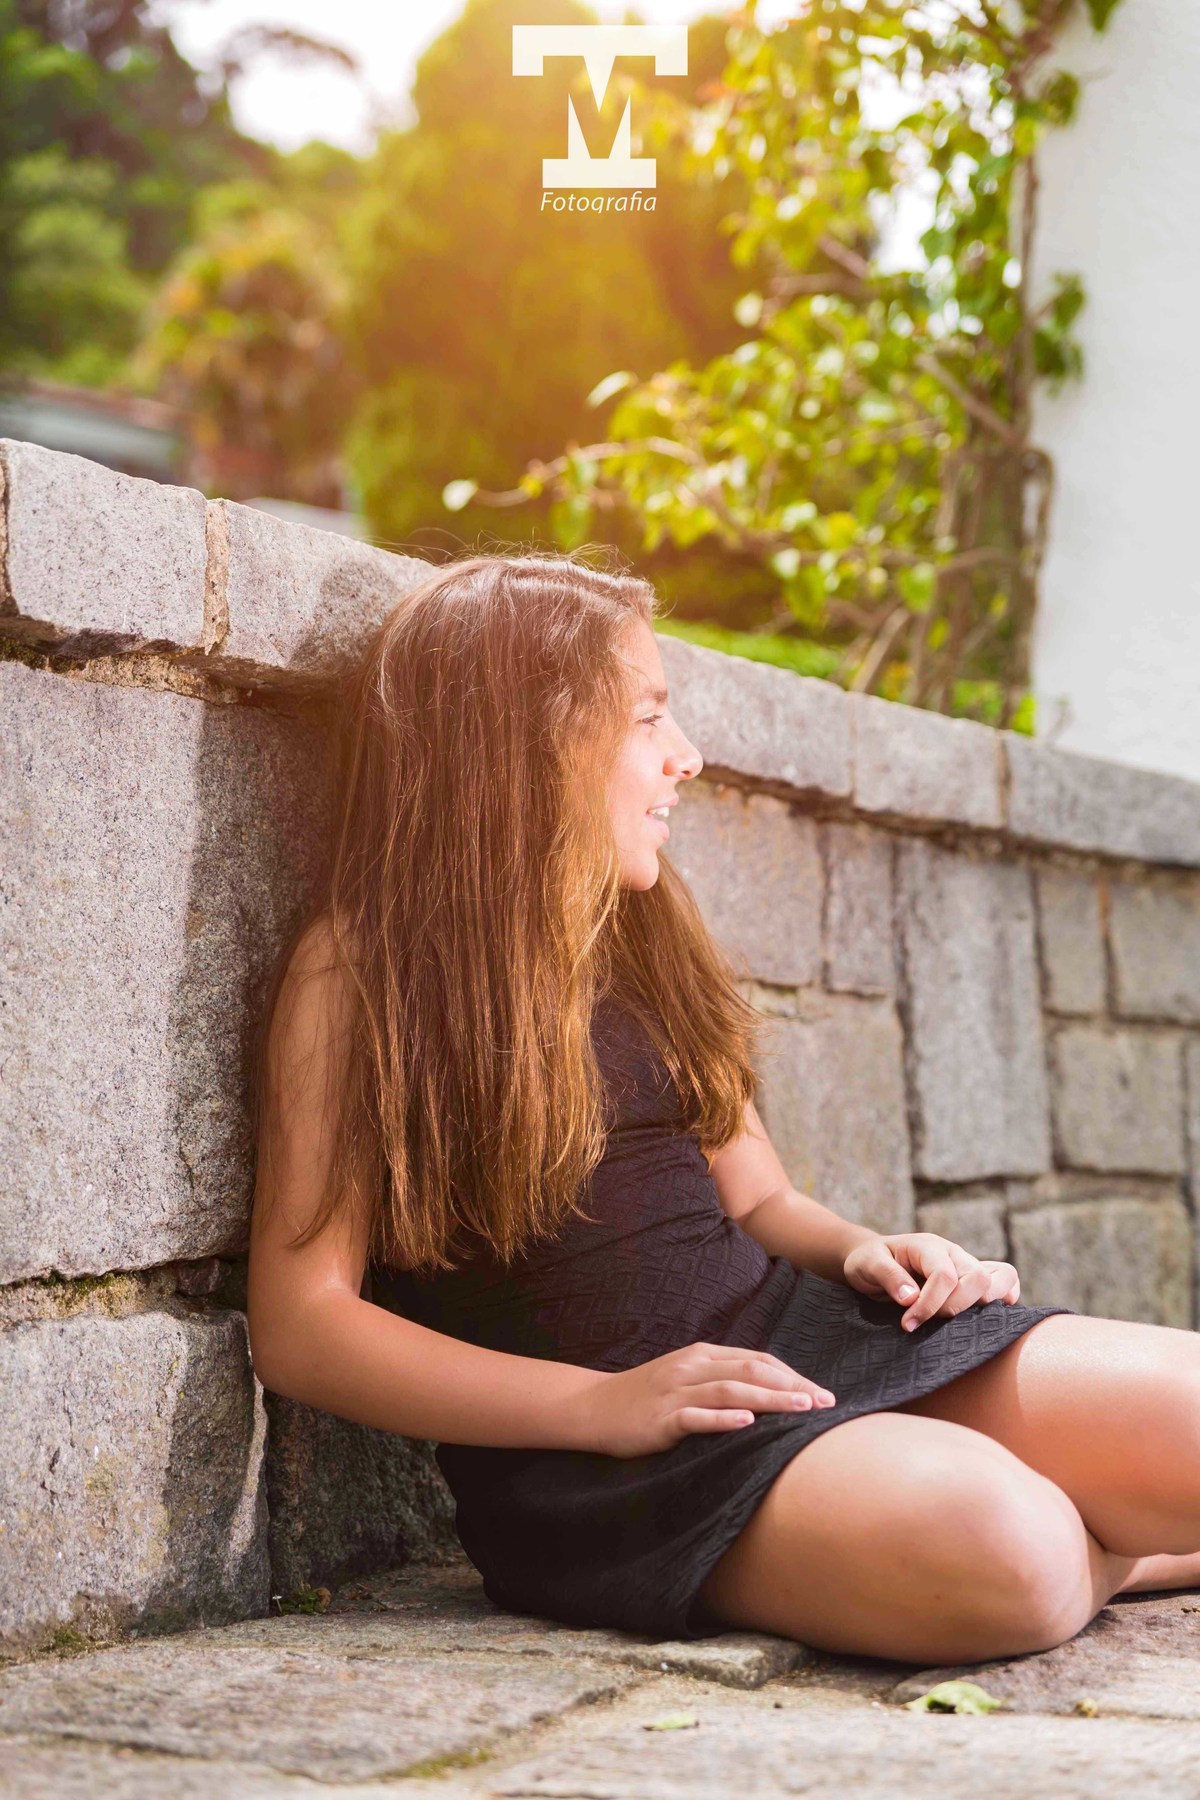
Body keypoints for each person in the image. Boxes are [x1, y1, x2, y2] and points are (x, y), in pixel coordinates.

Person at [247, 551, 1200, 1668]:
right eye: (648, 715)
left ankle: (1017, 1502)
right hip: (616, 1462)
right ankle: (1093, 1534)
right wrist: (600, 1410)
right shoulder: (360, 975)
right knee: (1015, 1556)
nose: (685, 757)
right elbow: (303, 1324)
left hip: (799, 1339)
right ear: (527, 739)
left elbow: (759, 1193)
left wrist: (864, 1252)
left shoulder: (641, 927)